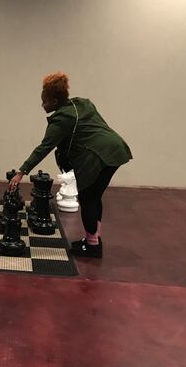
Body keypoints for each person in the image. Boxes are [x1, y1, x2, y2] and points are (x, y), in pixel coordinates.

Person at [9, 72, 132, 258]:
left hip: (96, 156)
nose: (42, 105)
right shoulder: (82, 103)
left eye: (45, 101)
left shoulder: (61, 120)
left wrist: (21, 172)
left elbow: (43, 148)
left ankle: (92, 246)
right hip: (116, 149)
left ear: (55, 101)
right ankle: (94, 239)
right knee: (95, 196)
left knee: (87, 198)